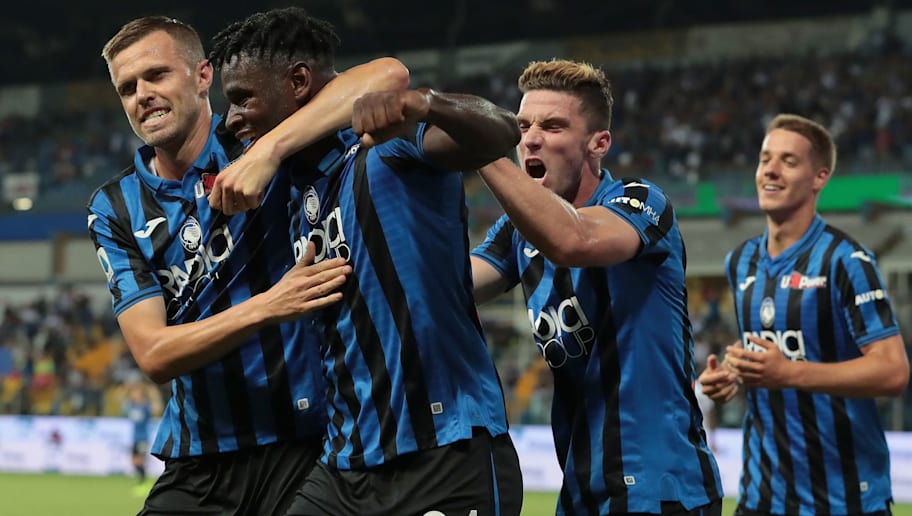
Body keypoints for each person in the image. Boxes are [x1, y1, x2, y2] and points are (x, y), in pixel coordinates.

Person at [208, 7, 523, 515]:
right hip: (345, 467)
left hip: (444, 450)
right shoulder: (292, 189)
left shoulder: (384, 143)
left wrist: (427, 104)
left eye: (243, 98)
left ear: (298, 82)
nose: (232, 118)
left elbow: (501, 131)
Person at [90, 16, 408, 515]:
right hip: (199, 459)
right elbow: (153, 354)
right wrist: (268, 305)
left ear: (203, 76)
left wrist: (270, 152)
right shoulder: (114, 207)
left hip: (311, 446)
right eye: (127, 88)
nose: (142, 95)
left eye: (156, 75)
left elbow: (389, 75)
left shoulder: (257, 134)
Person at [470, 59, 723, 515]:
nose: (530, 138)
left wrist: (482, 151)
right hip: (581, 489)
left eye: (552, 126)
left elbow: (574, 240)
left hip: (658, 487)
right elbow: (450, 287)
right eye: (522, 126)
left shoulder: (640, 201)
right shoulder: (515, 233)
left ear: (599, 143)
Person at [698, 114, 909, 516]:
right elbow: (766, 346)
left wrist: (789, 373)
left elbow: (893, 371)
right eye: (765, 159)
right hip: (760, 497)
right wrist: (731, 373)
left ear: (819, 178)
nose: (770, 170)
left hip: (844, 500)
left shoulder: (846, 261)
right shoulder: (740, 261)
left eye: (789, 161)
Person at [122, 381, 161, 495]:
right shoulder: (131, 405)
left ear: (141, 395)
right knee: (134, 462)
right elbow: (121, 404)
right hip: (135, 438)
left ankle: (143, 484)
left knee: (140, 461)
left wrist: (154, 395)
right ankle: (143, 482)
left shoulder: (145, 407)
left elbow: (157, 409)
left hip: (143, 438)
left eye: (136, 393)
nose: (133, 395)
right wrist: (126, 389)